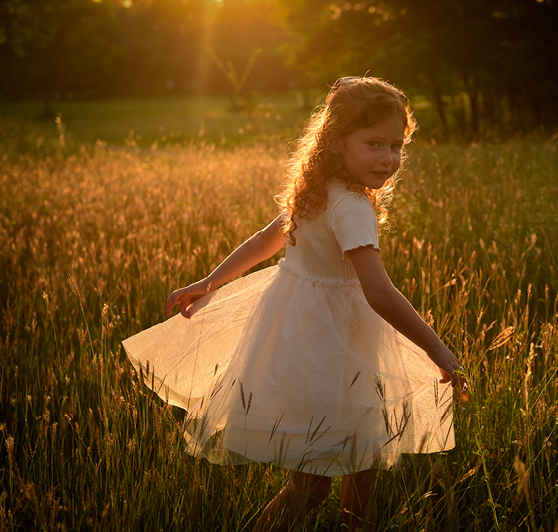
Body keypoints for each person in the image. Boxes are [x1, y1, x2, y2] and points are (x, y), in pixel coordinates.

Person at [122, 76, 465, 531]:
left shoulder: (318, 187)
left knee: (359, 456)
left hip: (301, 332)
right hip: (335, 346)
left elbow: (267, 241)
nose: (388, 158)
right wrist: (436, 348)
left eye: (396, 146)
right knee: (319, 477)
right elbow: (378, 292)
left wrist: (210, 281)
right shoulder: (352, 206)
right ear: (338, 142)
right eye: (374, 144)